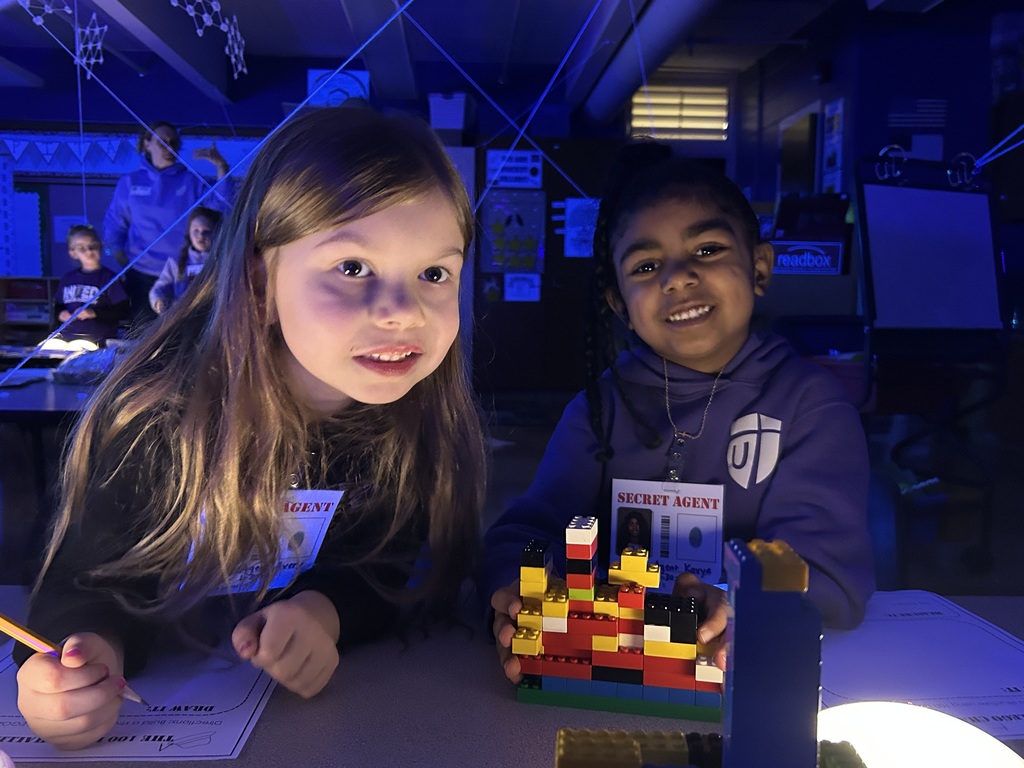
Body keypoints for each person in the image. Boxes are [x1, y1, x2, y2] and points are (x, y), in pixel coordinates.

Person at [15, 105, 486, 750]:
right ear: (262, 281)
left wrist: (324, 614)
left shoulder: (408, 422)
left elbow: (391, 558)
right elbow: (82, 580)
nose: (403, 312)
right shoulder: (154, 419)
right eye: (352, 268)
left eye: (435, 273)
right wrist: (82, 665)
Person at [484, 142, 875, 683]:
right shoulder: (598, 410)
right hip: (605, 677)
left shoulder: (812, 407)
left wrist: (737, 606)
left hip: (750, 680)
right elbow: (519, 534)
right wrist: (523, 591)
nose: (677, 276)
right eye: (645, 265)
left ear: (760, 267)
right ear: (619, 303)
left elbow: (827, 571)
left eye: (708, 249)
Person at [103, 121, 233, 326]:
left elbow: (223, 207)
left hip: (182, 275)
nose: (169, 147)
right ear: (147, 144)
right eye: (162, 142)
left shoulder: (192, 181)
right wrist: (119, 255)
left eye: (173, 142)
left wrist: (221, 166)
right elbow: (114, 224)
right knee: (142, 339)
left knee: (185, 336)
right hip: (141, 276)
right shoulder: (129, 182)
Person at [53, 224, 129, 345]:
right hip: (68, 341)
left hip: (99, 341)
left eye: (93, 246)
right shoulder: (67, 279)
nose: (89, 251)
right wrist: (60, 314)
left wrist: (94, 313)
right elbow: (58, 306)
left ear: (101, 246)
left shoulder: (109, 278)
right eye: (82, 248)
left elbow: (122, 310)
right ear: (73, 252)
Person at [149, 206, 222, 314]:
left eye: (206, 231)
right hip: (183, 317)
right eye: (196, 231)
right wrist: (159, 301)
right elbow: (159, 288)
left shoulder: (222, 260)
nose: (200, 236)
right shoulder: (177, 261)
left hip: (213, 316)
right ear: (189, 232)